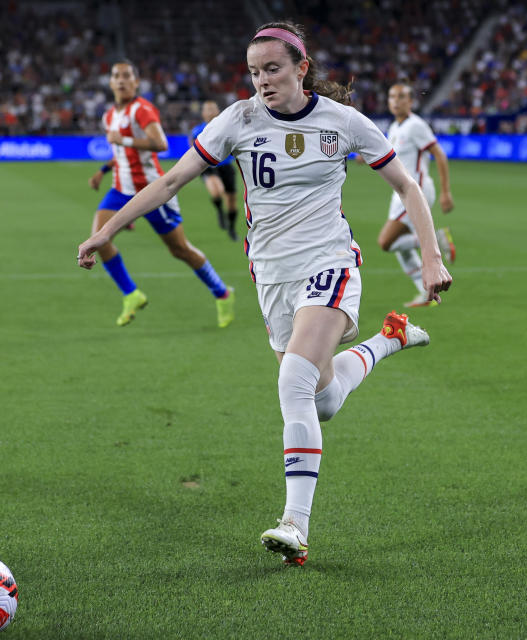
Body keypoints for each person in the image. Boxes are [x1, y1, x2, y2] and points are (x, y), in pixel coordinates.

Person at [77, 23, 452, 565]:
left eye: (272, 69)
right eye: (254, 72)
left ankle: (294, 526)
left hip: (330, 263)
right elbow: (168, 182)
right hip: (270, 277)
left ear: (301, 68)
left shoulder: (342, 122)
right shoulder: (239, 119)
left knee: (292, 380)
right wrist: (108, 229)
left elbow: (407, 185)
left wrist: (433, 257)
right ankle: (388, 340)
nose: (262, 81)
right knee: (319, 399)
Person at [87, 60, 236, 327]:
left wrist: (124, 140)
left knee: (179, 250)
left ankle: (222, 293)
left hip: (151, 191)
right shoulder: (109, 115)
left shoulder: (143, 110)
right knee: (98, 238)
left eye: (126, 76)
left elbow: (160, 143)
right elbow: (121, 153)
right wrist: (102, 170)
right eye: (116, 76)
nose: (121, 80)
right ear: (110, 83)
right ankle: (131, 294)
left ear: (135, 82)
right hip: (120, 189)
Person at [371, 83, 456, 307]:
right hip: (397, 192)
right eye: (392, 97)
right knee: (401, 247)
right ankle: (425, 293)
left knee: (386, 242)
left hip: (415, 190)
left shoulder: (416, 126)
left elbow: (440, 155)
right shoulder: (395, 127)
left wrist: (446, 192)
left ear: (410, 101)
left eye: (401, 97)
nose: (396, 101)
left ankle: (435, 238)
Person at [190, 100, 240, 241]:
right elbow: (192, 150)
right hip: (209, 167)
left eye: (213, 109)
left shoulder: (226, 127)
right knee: (217, 191)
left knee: (231, 200)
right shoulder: (197, 131)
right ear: (203, 113)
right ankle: (219, 211)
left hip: (226, 166)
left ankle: (231, 227)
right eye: (207, 109)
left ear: (218, 111)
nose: (210, 112)